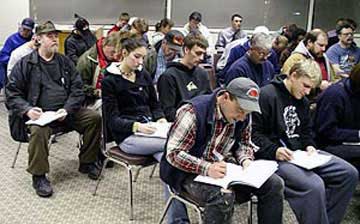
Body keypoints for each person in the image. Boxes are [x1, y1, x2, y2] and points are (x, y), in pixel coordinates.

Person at [160, 77, 284, 224]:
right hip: (187, 172)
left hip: (222, 166)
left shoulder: (243, 116)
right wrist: (207, 168)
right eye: (240, 110)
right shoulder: (192, 112)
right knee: (223, 197)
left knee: (275, 184)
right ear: (225, 97)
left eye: (247, 112)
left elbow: (244, 144)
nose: (242, 117)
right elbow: (174, 154)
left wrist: (246, 160)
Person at [252, 59, 358, 224]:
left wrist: (310, 146)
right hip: (275, 156)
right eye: (305, 86)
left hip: (300, 154)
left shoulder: (302, 101)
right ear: (293, 76)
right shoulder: (266, 95)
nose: (308, 92)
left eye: (311, 88)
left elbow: (307, 132)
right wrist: (274, 150)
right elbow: (253, 134)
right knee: (314, 186)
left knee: (348, 174)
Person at [6, 21, 102, 198]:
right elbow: (11, 93)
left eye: (56, 36)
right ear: (38, 39)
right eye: (50, 36)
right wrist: (27, 110)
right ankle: (39, 175)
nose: (55, 40)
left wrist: (67, 109)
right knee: (38, 130)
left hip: (65, 113)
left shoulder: (64, 62)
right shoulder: (25, 64)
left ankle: (87, 161)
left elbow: (77, 89)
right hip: (40, 116)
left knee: (93, 118)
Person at [101, 35, 167, 162]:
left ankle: (174, 182)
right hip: (127, 136)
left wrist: (161, 119)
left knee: (166, 157)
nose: (141, 62)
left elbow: (154, 105)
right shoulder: (110, 81)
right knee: (174, 145)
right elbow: (112, 120)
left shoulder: (144, 75)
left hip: (151, 130)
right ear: (124, 53)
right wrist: (136, 126)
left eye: (143, 58)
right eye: (137, 57)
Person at [314, 63, 360, 173]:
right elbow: (326, 132)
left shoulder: (356, 92)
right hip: (328, 145)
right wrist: (357, 135)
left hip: (349, 141)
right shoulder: (334, 95)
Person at [157, 33, 212, 122]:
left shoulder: (203, 74)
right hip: (181, 123)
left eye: (203, 54)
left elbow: (209, 101)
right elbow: (168, 111)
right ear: (186, 50)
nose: (201, 58)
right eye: (198, 53)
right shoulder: (169, 76)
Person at [76, 31, 122, 109]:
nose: (115, 56)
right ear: (105, 45)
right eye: (112, 52)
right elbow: (79, 86)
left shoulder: (116, 58)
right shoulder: (86, 61)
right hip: (91, 100)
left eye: (116, 53)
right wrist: (96, 92)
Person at [0, 17, 35, 90]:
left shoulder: (34, 40)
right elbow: (3, 56)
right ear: (20, 27)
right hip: (13, 68)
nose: (25, 32)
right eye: (23, 29)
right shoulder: (12, 39)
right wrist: (16, 62)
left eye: (28, 30)